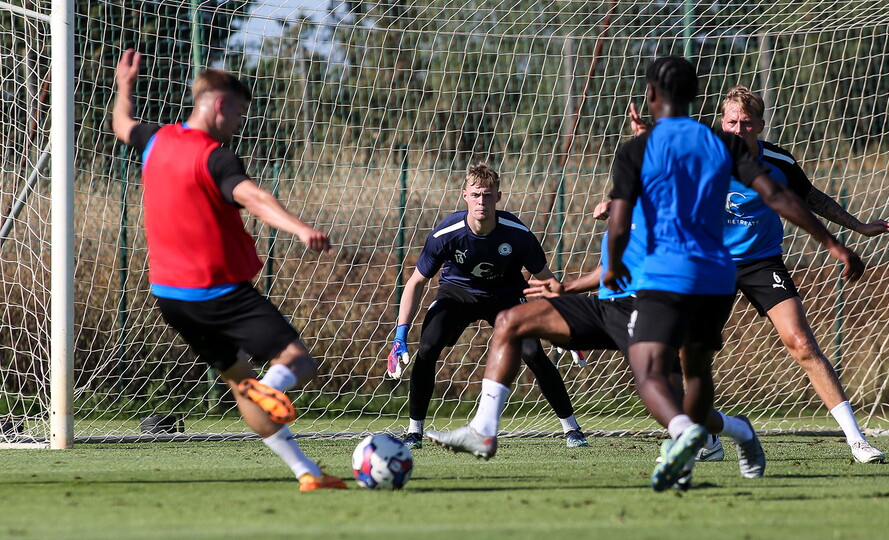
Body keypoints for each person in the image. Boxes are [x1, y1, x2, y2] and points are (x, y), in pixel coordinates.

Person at [426, 56, 864, 492]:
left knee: (665, 384)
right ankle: (486, 429)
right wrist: (834, 244)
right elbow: (779, 197)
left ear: (651, 97)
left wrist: (614, 262)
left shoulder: (650, 152)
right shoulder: (710, 149)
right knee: (513, 322)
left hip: (672, 288)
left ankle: (707, 437)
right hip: (669, 289)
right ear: (696, 100)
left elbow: (621, 229)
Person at [111, 49, 345, 491]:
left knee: (241, 384)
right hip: (220, 293)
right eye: (238, 113)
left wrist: (125, 83)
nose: (238, 123)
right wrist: (299, 227)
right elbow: (254, 198)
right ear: (220, 106)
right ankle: (272, 388)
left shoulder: (155, 139)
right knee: (297, 362)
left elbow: (121, 123)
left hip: (171, 298)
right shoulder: (216, 157)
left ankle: (307, 473)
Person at [714, 85, 889, 462]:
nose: (738, 129)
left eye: (746, 123)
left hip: (761, 262)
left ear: (760, 126)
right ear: (722, 122)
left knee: (802, 343)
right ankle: (705, 437)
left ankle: (857, 441)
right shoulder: (701, 156)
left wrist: (858, 227)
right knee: (691, 350)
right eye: (732, 121)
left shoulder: (778, 162)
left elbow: (810, 197)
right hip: (709, 263)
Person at [386, 163, 588, 449]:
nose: (483, 201)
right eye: (477, 194)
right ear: (465, 196)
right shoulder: (447, 233)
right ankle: (414, 431)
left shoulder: (517, 234)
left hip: (506, 296)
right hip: (457, 294)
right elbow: (415, 282)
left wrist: (570, 327)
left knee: (532, 351)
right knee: (428, 347)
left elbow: (548, 282)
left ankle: (572, 429)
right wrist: (399, 337)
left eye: (489, 195)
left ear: (499, 197)